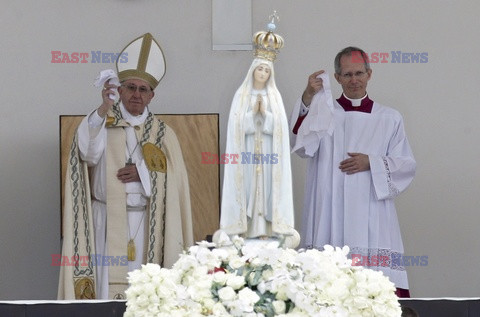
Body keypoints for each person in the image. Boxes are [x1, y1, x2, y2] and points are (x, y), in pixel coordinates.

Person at [58, 33, 193, 300]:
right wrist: (102, 109)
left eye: (143, 90)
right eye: (130, 87)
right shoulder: (101, 123)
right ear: (119, 91)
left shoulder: (163, 134)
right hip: (106, 222)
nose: (136, 95)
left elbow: (175, 184)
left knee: (145, 294)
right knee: (106, 292)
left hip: (147, 225)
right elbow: (86, 152)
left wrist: (143, 174)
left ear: (152, 95)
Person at [290, 46, 416, 297]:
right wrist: (307, 97)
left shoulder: (389, 117)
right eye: (347, 75)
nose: (354, 80)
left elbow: (406, 164)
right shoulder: (324, 113)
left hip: (371, 206)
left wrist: (372, 162)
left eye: (359, 73)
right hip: (330, 205)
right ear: (337, 78)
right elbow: (301, 146)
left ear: (370, 74)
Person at [219, 17, 298, 248]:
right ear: (253, 70)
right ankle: (246, 228)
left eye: (266, 70)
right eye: (259, 69)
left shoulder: (275, 96)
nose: (262, 73)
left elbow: (281, 129)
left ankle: (267, 228)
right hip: (247, 152)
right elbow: (235, 128)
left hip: (269, 153)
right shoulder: (241, 95)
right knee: (249, 188)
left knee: (266, 189)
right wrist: (251, 115)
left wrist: (268, 116)